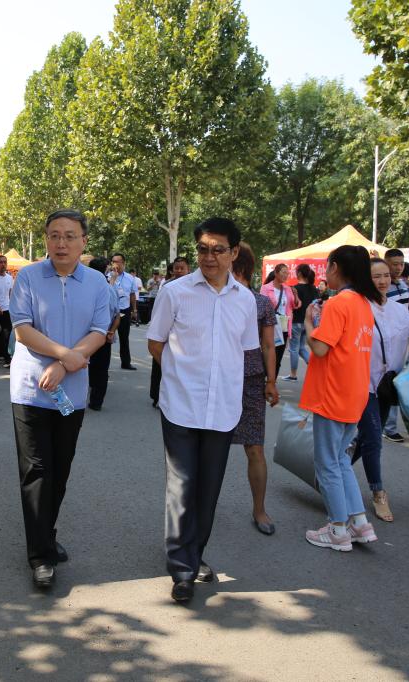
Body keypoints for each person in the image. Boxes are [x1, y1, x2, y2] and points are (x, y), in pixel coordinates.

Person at [148, 217, 260, 602]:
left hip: (223, 409)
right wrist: (179, 375)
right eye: (202, 249)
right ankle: (182, 569)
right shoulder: (174, 292)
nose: (209, 257)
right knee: (181, 487)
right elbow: (156, 343)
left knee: (208, 490)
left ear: (234, 253)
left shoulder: (245, 300)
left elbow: (243, 351)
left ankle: (194, 554)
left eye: (218, 250)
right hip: (180, 405)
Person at [9, 209, 111, 588]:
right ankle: (40, 556)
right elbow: (22, 329)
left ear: (84, 241)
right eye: (54, 235)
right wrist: (64, 356)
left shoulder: (97, 282)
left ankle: (46, 533)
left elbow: (99, 330)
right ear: (46, 240)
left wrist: (65, 366)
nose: (61, 243)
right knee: (37, 470)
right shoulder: (29, 277)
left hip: (72, 393)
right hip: (30, 389)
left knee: (60, 469)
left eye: (69, 235)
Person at [300, 244, 380, 552]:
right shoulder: (363, 303)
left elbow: (320, 348)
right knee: (341, 460)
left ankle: (337, 529)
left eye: (328, 266)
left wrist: (309, 323)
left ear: (335, 267)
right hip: (354, 393)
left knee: (327, 464)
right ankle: (359, 523)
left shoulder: (338, 303)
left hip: (333, 393)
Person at [352, 258, 409, 522]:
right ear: (366, 279)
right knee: (373, 437)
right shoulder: (358, 308)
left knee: (367, 437)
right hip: (363, 383)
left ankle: (333, 473)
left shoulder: (399, 310)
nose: (383, 281)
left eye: (385, 275)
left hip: (388, 385)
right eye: (376, 276)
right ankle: (378, 492)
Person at [229, 243, 280, 535]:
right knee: (216, 448)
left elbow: (268, 345)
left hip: (248, 381)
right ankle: (200, 507)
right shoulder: (219, 300)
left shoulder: (260, 303)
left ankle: (259, 510)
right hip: (224, 381)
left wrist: (271, 381)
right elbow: (269, 346)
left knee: (253, 448)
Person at [380, 249, 409, 442]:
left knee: (399, 384)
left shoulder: (403, 285)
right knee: (390, 383)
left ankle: (390, 425)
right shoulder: (383, 288)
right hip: (388, 344)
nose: (398, 268)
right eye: (394, 264)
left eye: (401, 264)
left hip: (405, 341)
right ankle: (389, 427)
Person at [149, 256, 189, 408]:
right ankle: (157, 396)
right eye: (176, 268)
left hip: (181, 337)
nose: (179, 271)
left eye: (182, 268)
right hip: (164, 333)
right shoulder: (167, 286)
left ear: (188, 269)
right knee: (160, 365)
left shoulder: (194, 288)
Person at [86, 257, 122, 411]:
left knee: (84, 367)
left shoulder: (84, 288)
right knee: (101, 370)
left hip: (86, 336)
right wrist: (111, 331)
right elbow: (117, 315)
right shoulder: (110, 289)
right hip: (104, 335)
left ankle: (82, 399)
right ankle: (96, 402)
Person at [260, 264, 299, 379]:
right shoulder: (266, 288)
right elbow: (262, 307)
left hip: (283, 326)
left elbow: (295, 305)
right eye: (283, 272)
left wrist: (295, 295)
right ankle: (263, 381)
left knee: (278, 357)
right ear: (276, 273)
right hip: (270, 326)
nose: (286, 275)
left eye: (287, 273)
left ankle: (272, 382)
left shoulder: (287, 289)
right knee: (268, 355)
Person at [283, 264, 317, 381]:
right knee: (301, 347)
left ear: (299, 274)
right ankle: (315, 366)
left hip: (296, 322)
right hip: (308, 323)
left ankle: (293, 374)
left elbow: (291, 305)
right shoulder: (313, 288)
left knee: (294, 348)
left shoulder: (295, 289)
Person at [109, 253, 138, 369]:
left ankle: (126, 363)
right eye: (113, 261)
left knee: (124, 338)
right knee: (107, 337)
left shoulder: (130, 278)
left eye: (117, 261)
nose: (115, 264)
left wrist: (134, 309)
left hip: (124, 310)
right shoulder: (107, 276)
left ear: (123, 263)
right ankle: (104, 367)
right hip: (110, 311)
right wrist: (113, 278)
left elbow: (132, 294)